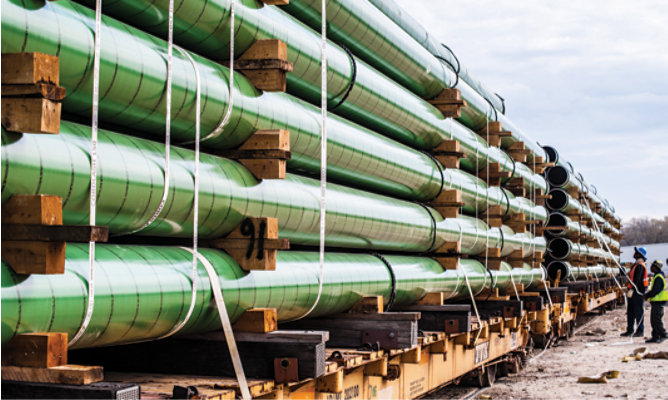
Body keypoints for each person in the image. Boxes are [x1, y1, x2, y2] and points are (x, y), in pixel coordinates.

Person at [621, 246, 649, 337]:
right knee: (631, 312)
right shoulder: (636, 265)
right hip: (633, 291)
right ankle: (630, 330)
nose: (634, 253)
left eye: (636, 252)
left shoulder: (640, 266)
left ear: (640, 254)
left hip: (637, 292)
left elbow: (637, 280)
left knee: (638, 312)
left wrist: (631, 288)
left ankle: (640, 331)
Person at [644, 260, 668, 343]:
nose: (651, 268)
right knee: (654, 320)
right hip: (657, 302)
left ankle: (663, 334)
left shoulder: (658, 277)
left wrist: (647, 296)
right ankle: (655, 336)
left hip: (658, 302)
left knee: (656, 320)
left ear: (656, 268)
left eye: (652, 266)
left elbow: (655, 290)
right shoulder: (657, 276)